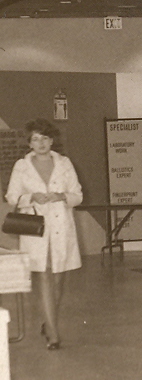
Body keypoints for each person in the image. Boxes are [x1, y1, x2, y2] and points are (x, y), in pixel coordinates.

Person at [6, 119, 84, 348]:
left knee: (58, 277)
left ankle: (47, 320)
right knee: (44, 275)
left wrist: (61, 196)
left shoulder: (65, 163)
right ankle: (52, 332)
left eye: (45, 138)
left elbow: (78, 196)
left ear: (52, 140)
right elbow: (12, 197)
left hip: (61, 228)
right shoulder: (22, 166)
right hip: (35, 229)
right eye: (35, 139)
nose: (40, 143)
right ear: (29, 143)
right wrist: (31, 197)